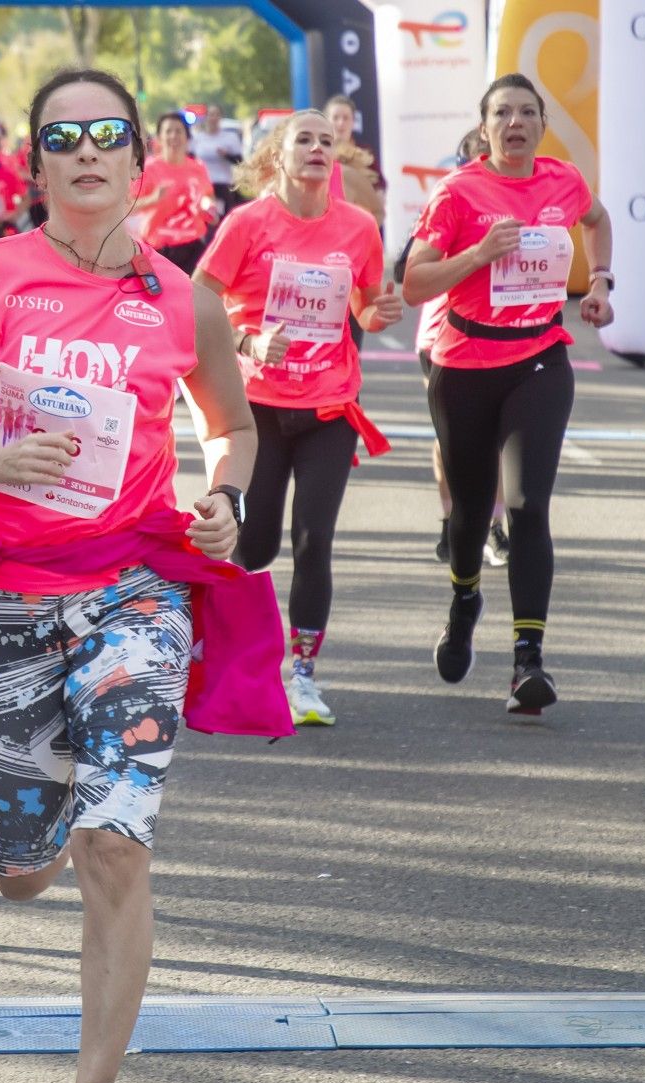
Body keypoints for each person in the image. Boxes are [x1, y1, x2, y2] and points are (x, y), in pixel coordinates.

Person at [0, 67, 286, 1083]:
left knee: (115, 844)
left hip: (136, 592)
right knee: (24, 871)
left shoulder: (183, 298)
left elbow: (232, 427)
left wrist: (227, 496)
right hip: (10, 596)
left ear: (140, 157)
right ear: (37, 160)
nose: (87, 151)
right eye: (64, 137)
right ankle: (34, 836)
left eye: (108, 134)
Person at [401, 73, 614, 715]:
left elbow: (598, 220)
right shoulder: (458, 193)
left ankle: (528, 661)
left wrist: (601, 280)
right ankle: (465, 599)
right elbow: (413, 283)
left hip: (541, 360)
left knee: (525, 506)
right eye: (503, 114)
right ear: (485, 127)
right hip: (464, 364)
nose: (515, 123)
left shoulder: (563, 181)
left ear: (541, 124)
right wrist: (477, 255)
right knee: (470, 516)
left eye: (527, 112)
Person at [197, 109, 403, 728]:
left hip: (328, 404)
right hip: (256, 406)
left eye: (325, 140)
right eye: (303, 140)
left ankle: (304, 676)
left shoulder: (359, 227)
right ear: (277, 159)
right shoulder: (248, 223)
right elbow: (199, 299)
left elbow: (365, 312)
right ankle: (216, 648)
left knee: (314, 540)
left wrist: (381, 311)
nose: (317, 148)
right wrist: (248, 339)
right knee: (252, 546)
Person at [406, 127, 508, 568]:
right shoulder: (450, 202)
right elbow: (409, 270)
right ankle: (452, 518)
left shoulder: (513, 210)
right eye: (477, 158)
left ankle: (495, 526)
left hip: (499, 335)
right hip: (441, 336)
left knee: (496, 440)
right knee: (451, 441)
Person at [131, 112, 215, 274]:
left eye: (178, 131)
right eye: (168, 131)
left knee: (192, 296)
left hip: (193, 246)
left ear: (187, 137)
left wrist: (207, 208)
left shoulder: (197, 168)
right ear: (160, 138)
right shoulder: (148, 169)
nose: (174, 136)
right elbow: (128, 207)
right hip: (159, 248)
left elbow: (208, 198)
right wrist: (153, 199)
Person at [322, 95, 386, 225]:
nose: (341, 123)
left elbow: (380, 189)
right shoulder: (318, 153)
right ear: (327, 121)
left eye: (346, 118)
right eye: (335, 118)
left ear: (353, 121)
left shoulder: (365, 154)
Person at [187, 104, 244, 218]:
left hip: (223, 185)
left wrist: (226, 155)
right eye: (211, 115)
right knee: (205, 218)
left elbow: (240, 161)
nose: (213, 118)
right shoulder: (198, 138)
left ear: (220, 117)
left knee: (221, 218)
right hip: (204, 186)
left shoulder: (230, 137)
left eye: (216, 115)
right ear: (206, 117)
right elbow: (189, 160)